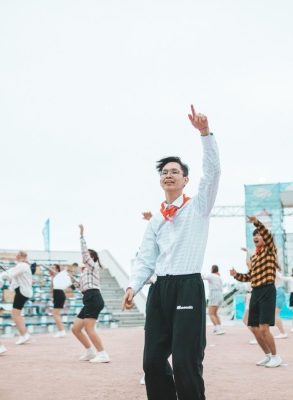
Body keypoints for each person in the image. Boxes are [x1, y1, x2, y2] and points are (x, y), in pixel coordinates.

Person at [122, 105, 220, 400]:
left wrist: (205, 133)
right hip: (160, 290)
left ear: (185, 180)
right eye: (164, 172)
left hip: (188, 287)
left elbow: (213, 173)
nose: (169, 175)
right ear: (160, 180)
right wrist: (133, 286)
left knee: (185, 363)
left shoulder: (198, 207)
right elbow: (146, 259)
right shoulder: (156, 219)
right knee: (152, 362)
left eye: (175, 171)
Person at [230, 215, 284, 368]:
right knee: (254, 327)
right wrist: (236, 275)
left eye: (258, 234)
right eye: (254, 235)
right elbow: (250, 277)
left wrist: (256, 223)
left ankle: (276, 357)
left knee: (264, 327)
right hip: (255, 291)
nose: (256, 236)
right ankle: (268, 355)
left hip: (267, 290)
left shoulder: (270, 250)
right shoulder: (255, 257)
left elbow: (267, 235)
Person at [70, 224, 109, 363]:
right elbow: (81, 288)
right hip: (88, 297)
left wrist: (81, 235)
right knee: (75, 328)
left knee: (88, 328)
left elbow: (85, 254)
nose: (83, 257)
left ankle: (103, 354)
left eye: (87, 255)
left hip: (93, 297)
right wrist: (72, 279)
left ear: (91, 257)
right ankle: (90, 352)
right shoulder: (85, 272)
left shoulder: (93, 266)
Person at [1, 250, 33, 345]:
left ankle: (24, 335)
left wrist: (2, 274)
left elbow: (10, 275)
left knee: (15, 314)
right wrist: (7, 273)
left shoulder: (22, 265)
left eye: (17, 254)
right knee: (17, 314)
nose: (16, 256)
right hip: (22, 291)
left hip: (22, 292)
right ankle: (24, 334)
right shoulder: (22, 265)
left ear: (20, 255)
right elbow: (11, 274)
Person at [42, 264, 71, 338]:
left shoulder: (58, 274)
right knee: (56, 314)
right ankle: (61, 330)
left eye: (53, 268)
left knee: (55, 314)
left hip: (59, 294)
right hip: (57, 295)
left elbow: (52, 271)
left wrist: (45, 266)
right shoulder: (55, 277)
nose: (52, 269)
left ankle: (61, 331)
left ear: (57, 269)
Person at [203, 265, 225, 335]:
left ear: (212, 269)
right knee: (215, 313)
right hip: (220, 294)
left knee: (211, 313)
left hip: (214, 293)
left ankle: (217, 329)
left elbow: (203, 277)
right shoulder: (219, 277)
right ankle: (220, 327)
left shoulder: (212, 275)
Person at [273, 264, 288, 339]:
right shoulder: (277, 272)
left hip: (279, 293)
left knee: (275, 315)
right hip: (278, 292)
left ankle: (283, 332)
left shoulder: (275, 272)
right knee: (274, 315)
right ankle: (282, 332)